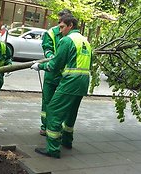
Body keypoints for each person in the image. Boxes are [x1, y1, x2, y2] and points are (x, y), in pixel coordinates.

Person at [31, 14, 92, 158]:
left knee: (53, 110)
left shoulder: (67, 40)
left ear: (70, 26)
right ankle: (67, 141)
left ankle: (53, 149)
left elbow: (55, 64)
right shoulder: (85, 41)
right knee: (71, 112)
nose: (60, 30)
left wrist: (40, 66)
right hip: (84, 82)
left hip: (71, 81)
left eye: (62, 27)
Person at [39, 9, 72, 136]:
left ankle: (57, 127)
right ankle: (45, 125)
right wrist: (52, 57)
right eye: (59, 22)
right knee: (47, 101)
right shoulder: (51, 33)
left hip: (65, 75)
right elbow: (47, 47)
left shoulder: (71, 35)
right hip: (52, 73)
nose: (60, 25)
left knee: (62, 103)